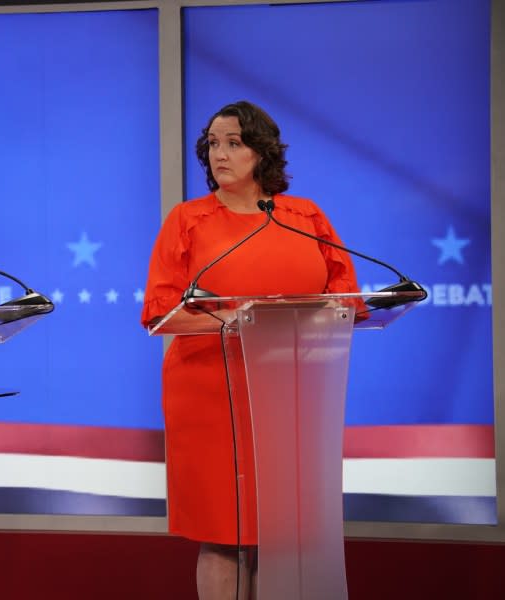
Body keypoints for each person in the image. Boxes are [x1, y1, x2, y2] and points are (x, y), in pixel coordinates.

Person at [140, 100, 360, 599]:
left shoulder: (304, 216)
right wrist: (236, 321)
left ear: (261, 152)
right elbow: (160, 311)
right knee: (224, 533)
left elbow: (346, 297)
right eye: (213, 144)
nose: (221, 154)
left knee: (278, 533)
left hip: (289, 393)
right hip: (211, 392)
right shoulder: (188, 220)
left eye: (233, 143)